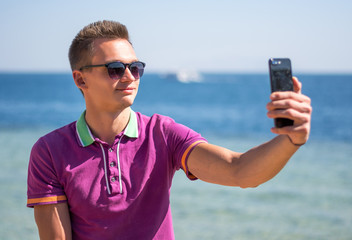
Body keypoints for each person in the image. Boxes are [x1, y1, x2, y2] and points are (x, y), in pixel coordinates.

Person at [27, 20, 312, 240]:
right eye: (114, 68)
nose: (129, 77)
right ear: (80, 79)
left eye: (135, 67)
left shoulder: (163, 134)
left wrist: (290, 140)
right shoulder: (49, 152)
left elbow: (239, 170)